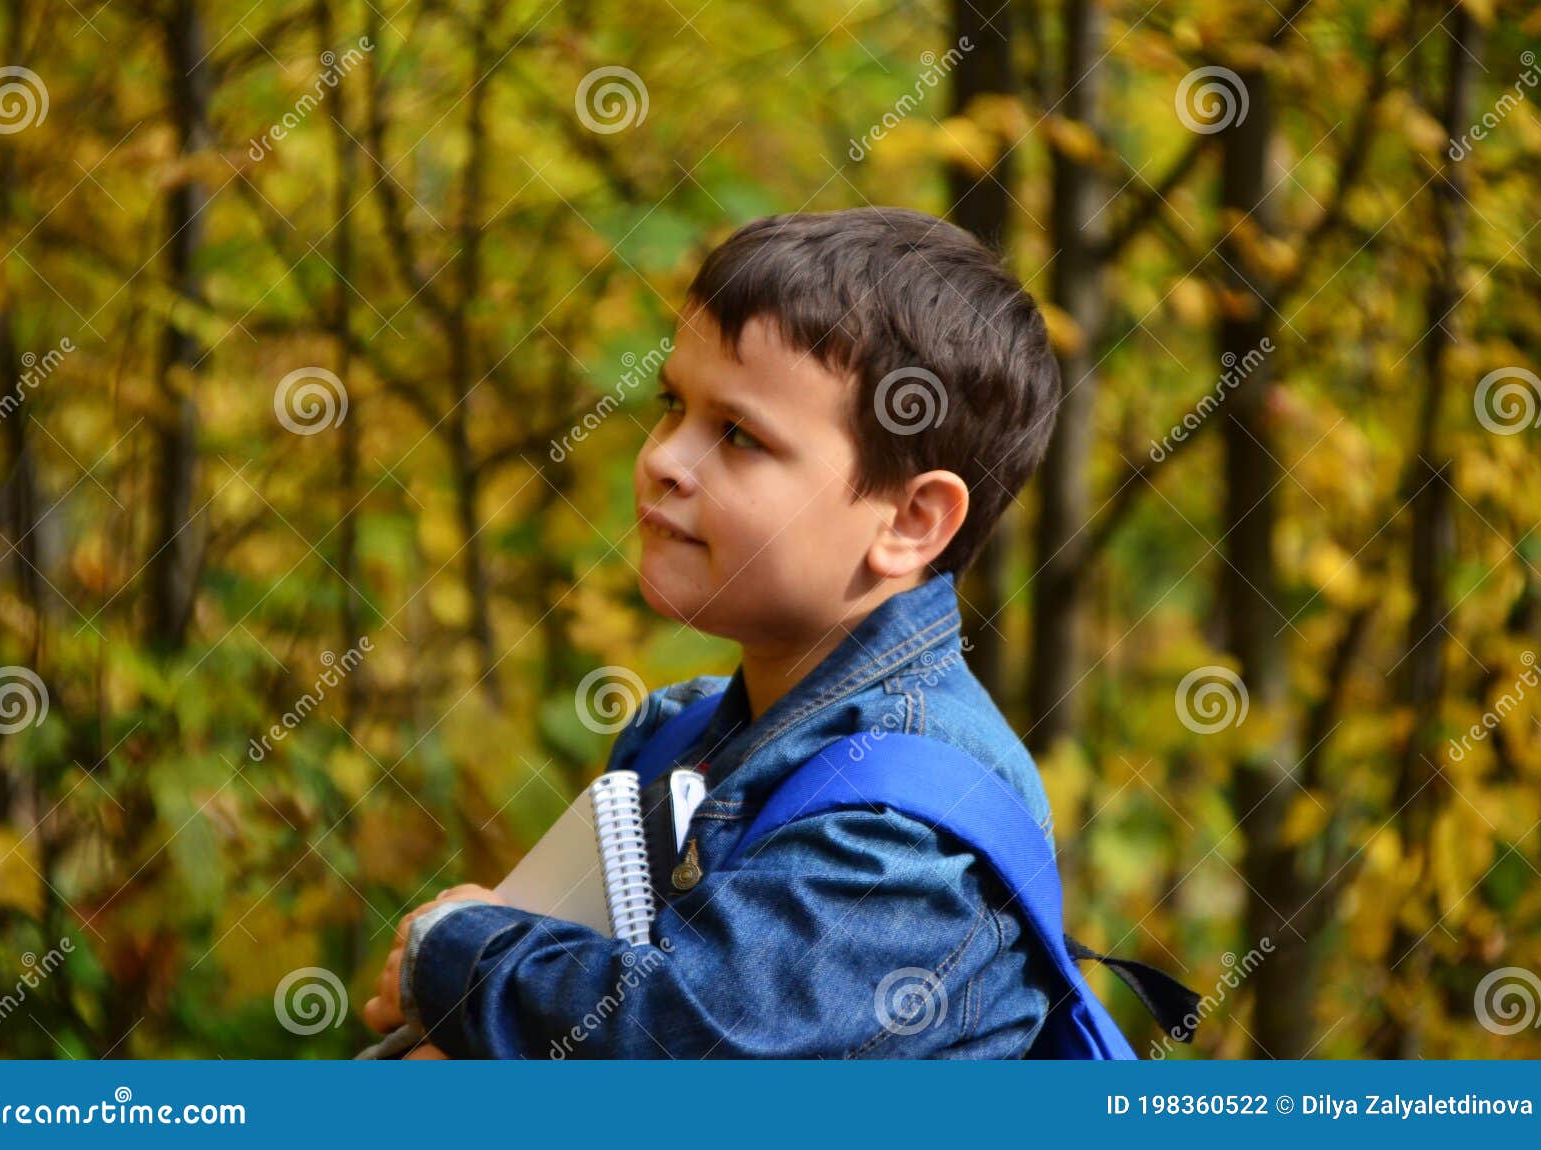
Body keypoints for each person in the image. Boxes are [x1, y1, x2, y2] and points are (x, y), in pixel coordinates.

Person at [362, 206, 1068, 1058]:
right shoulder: (680, 737)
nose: (664, 457)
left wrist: (460, 956)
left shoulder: (910, 820)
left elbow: (686, 1045)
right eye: (672, 406)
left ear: (912, 520)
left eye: (737, 434)